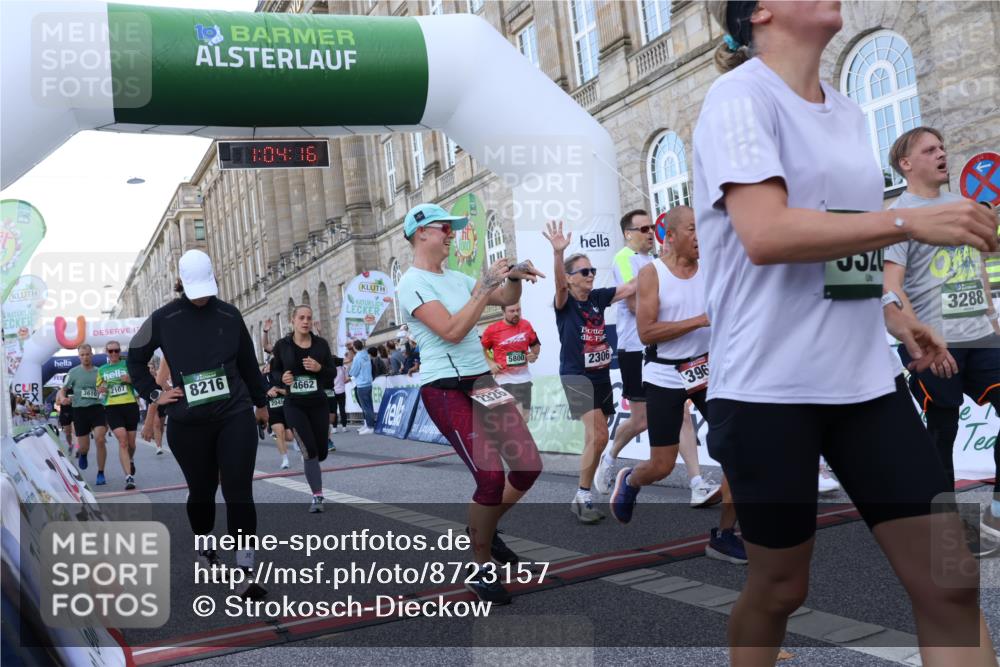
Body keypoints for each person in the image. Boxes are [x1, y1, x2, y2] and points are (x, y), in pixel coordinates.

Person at [697, 3, 998, 663]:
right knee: (780, 586)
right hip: (768, 390)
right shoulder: (738, 98)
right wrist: (907, 223)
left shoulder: (846, 109)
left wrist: (895, 313)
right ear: (760, 11)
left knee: (951, 583)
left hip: (866, 383)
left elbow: (844, 246)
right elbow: (767, 233)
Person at [397, 202, 544, 604]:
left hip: (480, 381)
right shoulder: (410, 282)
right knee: (490, 477)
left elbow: (505, 298)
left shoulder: (457, 278)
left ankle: (486, 527)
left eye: (452, 228)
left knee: (529, 465)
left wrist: (512, 277)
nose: (451, 234)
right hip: (444, 387)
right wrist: (483, 288)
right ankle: (480, 568)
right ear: (422, 232)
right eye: (446, 228)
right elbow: (452, 329)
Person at [127, 250, 269, 600]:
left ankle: (246, 570)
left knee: (238, 491)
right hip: (188, 423)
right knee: (202, 492)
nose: (202, 297)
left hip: (233, 414)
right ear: (183, 284)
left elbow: (250, 366)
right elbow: (134, 355)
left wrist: (263, 404)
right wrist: (154, 394)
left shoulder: (230, 314)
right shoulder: (164, 318)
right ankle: (206, 551)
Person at [610, 205, 746, 563]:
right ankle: (630, 481)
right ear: (669, 237)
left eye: (701, 228)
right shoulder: (652, 274)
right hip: (665, 374)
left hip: (708, 371)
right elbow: (647, 331)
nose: (699, 236)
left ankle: (725, 534)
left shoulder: (712, 268)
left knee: (737, 451)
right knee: (662, 466)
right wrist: (700, 320)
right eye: (691, 229)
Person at [882, 127, 1000, 528]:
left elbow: (978, 264)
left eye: (943, 147)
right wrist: (918, 337)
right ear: (906, 163)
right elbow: (891, 287)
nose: (942, 153)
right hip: (933, 344)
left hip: (981, 337)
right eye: (930, 149)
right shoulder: (898, 216)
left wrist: (992, 320)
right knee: (942, 431)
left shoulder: (964, 206)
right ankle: (943, 519)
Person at [544, 220, 637, 524]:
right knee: (598, 435)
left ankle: (583, 487)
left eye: (593, 270)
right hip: (575, 375)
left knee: (596, 436)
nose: (591, 275)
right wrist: (559, 254)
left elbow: (631, 287)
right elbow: (557, 286)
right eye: (584, 272)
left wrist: (664, 262)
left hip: (600, 374)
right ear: (570, 279)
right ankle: (583, 495)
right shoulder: (565, 301)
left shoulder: (597, 298)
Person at [595, 209, 655, 496]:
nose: (650, 233)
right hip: (635, 347)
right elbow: (634, 303)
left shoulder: (654, 260)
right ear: (628, 233)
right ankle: (609, 458)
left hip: (659, 343)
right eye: (643, 229)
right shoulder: (624, 258)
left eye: (651, 227)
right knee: (641, 420)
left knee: (681, 410)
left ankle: (695, 482)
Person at [270, 305, 339, 512]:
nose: (306, 321)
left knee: (321, 452)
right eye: (301, 317)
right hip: (294, 405)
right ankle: (317, 496)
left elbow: (332, 373)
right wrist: (282, 378)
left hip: (318, 403)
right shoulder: (283, 345)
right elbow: (274, 371)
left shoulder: (321, 345)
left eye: (309, 318)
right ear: (293, 320)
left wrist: (319, 369)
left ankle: (313, 458)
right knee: (309, 452)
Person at [480, 302, 541, 422]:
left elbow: (535, 347)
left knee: (525, 419)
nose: (516, 314)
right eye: (512, 311)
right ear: (503, 312)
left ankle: (510, 439)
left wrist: (534, 355)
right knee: (516, 418)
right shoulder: (493, 330)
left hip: (524, 378)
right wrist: (491, 363)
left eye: (518, 310)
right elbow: (481, 349)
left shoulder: (526, 325)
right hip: (505, 380)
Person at [58, 344, 108, 484]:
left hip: (97, 408)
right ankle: (84, 454)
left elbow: (105, 389)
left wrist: (104, 391)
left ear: (92, 354)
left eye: (87, 354)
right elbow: (63, 389)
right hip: (80, 411)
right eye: (82, 355)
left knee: (100, 439)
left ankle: (101, 473)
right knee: (84, 446)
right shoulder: (73, 372)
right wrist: (62, 399)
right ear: (79, 357)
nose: (85, 357)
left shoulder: (100, 372)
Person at [96, 340, 140, 491]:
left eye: (116, 350)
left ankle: (131, 459)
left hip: (130, 405)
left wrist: (130, 380)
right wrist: (102, 390)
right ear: (106, 352)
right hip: (112, 407)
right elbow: (99, 390)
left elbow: (140, 381)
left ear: (120, 351)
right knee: (123, 441)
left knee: (132, 443)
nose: (114, 353)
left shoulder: (127, 365)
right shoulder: (102, 369)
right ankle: (129, 477)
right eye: (110, 351)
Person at [262, 361, 294, 470]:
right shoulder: (263, 378)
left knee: (289, 437)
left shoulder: (284, 376)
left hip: (286, 409)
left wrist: (278, 389)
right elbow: (259, 392)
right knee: (279, 432)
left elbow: (290, 392)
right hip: (273, 410)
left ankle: (286, 440)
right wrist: (267, 392)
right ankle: (285, 460)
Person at [349, 340, 376, 434]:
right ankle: (368, 424)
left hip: (361, 384)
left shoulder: (357, 357)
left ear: (355, 347)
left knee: (365, 406)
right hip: (368, 383)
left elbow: (354, 371)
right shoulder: (366, 355)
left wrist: (350, 373)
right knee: (369, 405)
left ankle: (370, 426)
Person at [332, 355, 349, 433]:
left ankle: (334, 427)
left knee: (333, 410)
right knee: (342, 409)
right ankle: (344, 427)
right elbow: (346, 380)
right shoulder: (343, 368)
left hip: (333, 391)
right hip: (342, 390)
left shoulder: (330, 370)